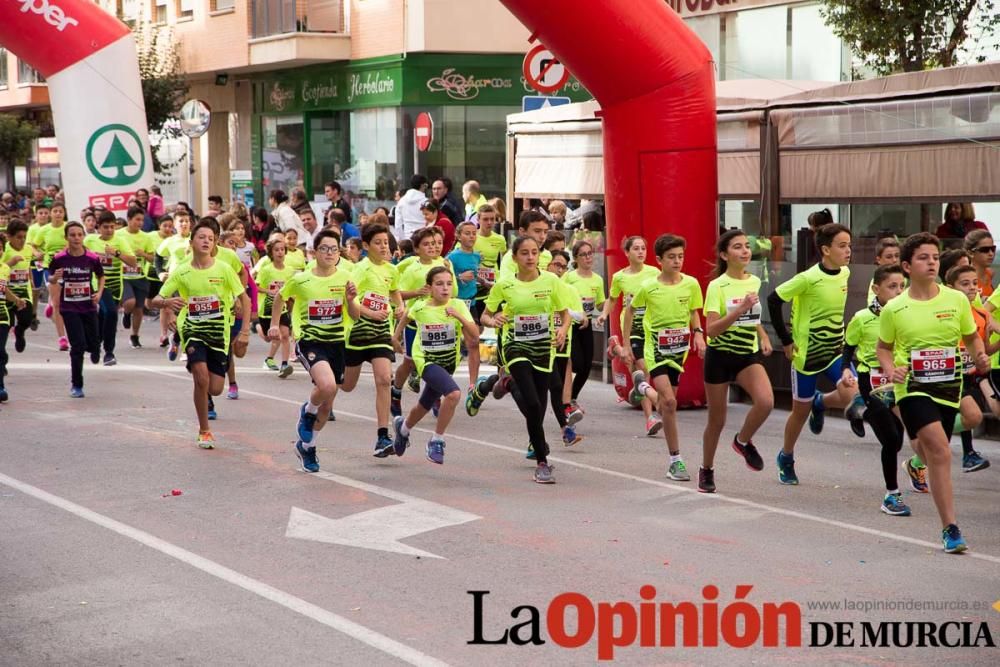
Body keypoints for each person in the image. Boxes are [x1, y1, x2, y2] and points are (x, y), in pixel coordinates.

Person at [876, 232, 989, 553]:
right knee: (940, 450)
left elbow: (971, 337)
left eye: (935, 257)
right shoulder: (894, 308)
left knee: (929, 447)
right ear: (907, 266)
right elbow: (883, 349)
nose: (931, 263)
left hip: (948, 386)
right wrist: (889, 369)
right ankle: (950, 528)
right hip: (911, 386)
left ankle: (916, 451)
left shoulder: (955, 300)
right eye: (924, 258)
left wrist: (979, 354)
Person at [767, 223, 862, 485]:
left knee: (853, 393)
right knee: (800, 412)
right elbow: (774, 300)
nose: (848, 251)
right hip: (805, 356)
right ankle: (786, 456)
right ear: (825, 249)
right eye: (842, 246)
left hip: (834, 352)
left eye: (849, 245)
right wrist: (785, 341)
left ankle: (822, 403)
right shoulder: (807, 278)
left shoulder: (844, 273)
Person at [480, 236, 571, 483]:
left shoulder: (551, 281)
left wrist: (562, 330)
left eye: (534, 252)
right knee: (532, 403)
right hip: (515, 346)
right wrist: (494, 320)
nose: (530, 257)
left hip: (544, 347)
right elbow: (485, 316)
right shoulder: (505, 284)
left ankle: (508, 386)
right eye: (524, 253)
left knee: (539, 405)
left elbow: (565, 313)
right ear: (515, 257)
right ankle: (542, 463)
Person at [152, 220, 250, 448]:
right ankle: (204, 430)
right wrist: (168, 302)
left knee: (215, 387)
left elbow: (244, 298)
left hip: (219, 332)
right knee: (201, 377)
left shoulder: (224, 269)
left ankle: (205, 388)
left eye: (210, 238)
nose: (206, 241)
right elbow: (156, 299)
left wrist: (245, 331)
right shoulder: (182, 270)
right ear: (191, 242)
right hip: (193, 330)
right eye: (201, 237)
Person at [270, 229, 359, 473]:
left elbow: (355, 315)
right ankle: (307, 411)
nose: (329, 253)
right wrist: (274, 324)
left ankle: (307, 446)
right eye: (324, 248)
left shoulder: (346, 278)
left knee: (327, 406)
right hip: (310, 341)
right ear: (314, 252)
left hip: (338, 342)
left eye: (334, 249)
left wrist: (351, 300)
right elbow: (280, 297)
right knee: (327, 386)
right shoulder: (302, 279)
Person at [624, 234, 705, 482]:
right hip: (655, 349)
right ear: (659, 260)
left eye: (680, 256)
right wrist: (627, 343)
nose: (677, 261)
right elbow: (630, 311)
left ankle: (643, 386)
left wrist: (699, 334)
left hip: (678, 351)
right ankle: (675, 460)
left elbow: (693, 311)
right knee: (669, 403)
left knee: (664, 404)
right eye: (671, 257)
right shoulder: (649, 287)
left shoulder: (690, 284)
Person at [699, 230, 774, 493]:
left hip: (746, 354)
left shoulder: (753, 280)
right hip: (719, 356)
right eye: (737, 247)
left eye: (746, 246)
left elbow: (751, 318)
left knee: (766, 401)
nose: (744, 251)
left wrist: (763, 335)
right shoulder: (717, 286)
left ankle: (743, 441)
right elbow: (711, 330)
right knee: (716, 420)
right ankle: (706, 469)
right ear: (724, 254)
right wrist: (738, 310)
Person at [392, 266, 481, 463]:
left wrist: (457, 316)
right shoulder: (421, 307)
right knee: (454, 394)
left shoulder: (458, 305)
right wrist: (395, 337)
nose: (445, 288)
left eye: (449, 284)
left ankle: (403, 429)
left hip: (448, 363)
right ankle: (437, 440)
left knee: (424, 405)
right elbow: (406, 315)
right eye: (439, 284)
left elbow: (475, 335)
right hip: (426, 361)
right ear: (430, 287)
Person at [843, 264, 909, 515]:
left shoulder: (905, 314)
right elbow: (848, 347)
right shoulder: (862, 318)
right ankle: (892, 495)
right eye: (892, 287)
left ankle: (860, 411)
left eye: (902, 286)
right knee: (891, 440)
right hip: (869, 378)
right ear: (876, 289)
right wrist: (846, 369)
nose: (898, 291)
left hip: (897, 379)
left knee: (898, 438)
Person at [341, 222, 404, 457]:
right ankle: (325, 380)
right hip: (357, 333)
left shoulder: (391, 270)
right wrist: (370, 312)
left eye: (385, 242)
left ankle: (382, 435)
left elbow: (394, 291)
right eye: (377, 243)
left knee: (385, 379)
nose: (383, 246)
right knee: (347, 386)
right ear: (366, 246)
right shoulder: (360, 270)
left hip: (380, 333)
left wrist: (400, 306)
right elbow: (350, 302)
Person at [602, 236, 661, 436]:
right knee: (642, 368)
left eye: (643, 248)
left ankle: (615, 348)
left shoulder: (654, 273)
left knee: (641, 374)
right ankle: (650, 418)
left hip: (650, 327)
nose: (641, 252)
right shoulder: (620, 277)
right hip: (632, 328)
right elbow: (612, 299)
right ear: (627, 253)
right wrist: (603, 315)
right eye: (636, 248)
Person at [943, 264, 994, 473]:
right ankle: (931, 438)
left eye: (975, 283)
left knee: (970, 417)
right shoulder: (945, 314)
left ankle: (965, 453)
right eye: (965, 284)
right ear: (950, 287)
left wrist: (982, 357)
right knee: (971, 415)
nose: (972, 288)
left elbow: (985, 349)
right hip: (949, 375)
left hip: (972, 374)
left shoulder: (981, 314)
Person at [48, 222, 104, 398]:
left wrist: (99, 294)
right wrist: (54, 278)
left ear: (83, 236)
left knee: (93, 341)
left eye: (80, 234)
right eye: (72, 235)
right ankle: (77, 385)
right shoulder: (59, 259)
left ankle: (95, 349)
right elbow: (51, 278)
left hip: (88, 305)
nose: (76, 238)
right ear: (66, 238)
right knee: (77, 346)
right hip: (69, 306)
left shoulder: (92, 258)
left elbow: (101, 275)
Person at [84, 211, 137, 366]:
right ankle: (109, 352)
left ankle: (95, 345)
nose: (109, 230)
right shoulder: (90, 240)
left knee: (104, 316)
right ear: (98, 227)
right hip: (97, 284)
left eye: (112, 227)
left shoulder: (120, 241)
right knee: (111, 313)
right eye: (105, 227)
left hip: (115, 285)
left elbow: (133, 262)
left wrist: (117, 253)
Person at [563, 240, 605, 418]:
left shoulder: (597, 279)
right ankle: (565, 397)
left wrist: (609, 305)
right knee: (577, 363)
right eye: (584, 254)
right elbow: (561, 302)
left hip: (586, 327)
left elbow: (601, 304)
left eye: (590, 253)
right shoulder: (569, 277)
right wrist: (577, 314)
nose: (588, 257)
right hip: (571, 325)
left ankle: (571, 398)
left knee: (586, 366)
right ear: (576, 258)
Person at [257, 235, 298, 377]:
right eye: (276, 250)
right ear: (271, 253)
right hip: (267, 309)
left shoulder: (289, 270)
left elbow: (292, 289)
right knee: (272, 337)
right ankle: (268, 358)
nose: (280, 252)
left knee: (284, 335)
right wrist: (270, 291)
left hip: (283, 308)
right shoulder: (266, 270)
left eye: (282, 249)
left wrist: (292, 298)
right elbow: (256, 287)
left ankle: (285, 365)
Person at [117, 206, 157, 348]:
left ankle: (134, 335)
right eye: (137, 219)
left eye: (142, 220)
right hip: (123, 275)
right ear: (129, 219)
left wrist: (144, 254)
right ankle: (127, 314)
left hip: (140, 276)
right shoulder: (119, 234)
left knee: (139, 309)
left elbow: (153, 259)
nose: (140, 223)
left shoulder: (146, 237)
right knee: (130, 302)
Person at [0, 235, 29, 402]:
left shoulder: (4, 268)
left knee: (0, 351)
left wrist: (17, 300)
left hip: (2, 316)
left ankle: (0, 386)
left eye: (0, 248)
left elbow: (4, 290)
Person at [1, 219, 35, 356]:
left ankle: (19, 331)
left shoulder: (28, 249)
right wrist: (11, 262)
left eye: (24, 237)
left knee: (27, 319)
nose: (22, 241)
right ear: (9, 237)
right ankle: (2, 359)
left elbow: (27, 266)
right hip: (6, 293)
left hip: (23, 291)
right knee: (5, 326)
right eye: (18, 237)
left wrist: (31, 278)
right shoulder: (4, 250)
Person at [40, 202, 70, 350]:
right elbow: (32, 245)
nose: (58, 213)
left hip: (68, 268)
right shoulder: (44, 230)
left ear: (64, 214)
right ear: (51, 213)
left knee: (68, 302)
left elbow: (78, 242)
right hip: (50, 268)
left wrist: (66, 250)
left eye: (60, 211)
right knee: (58, 303)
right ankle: (62, 338)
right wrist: (37, 253)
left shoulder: (69, 228)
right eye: (55, 211)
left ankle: (50, 304)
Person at [471, 205, 505, 326]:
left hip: (493, 286)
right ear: (478, 219)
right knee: (477, 327)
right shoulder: (471, 237)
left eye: (492, 219)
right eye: (485, 219)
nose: (489, 222)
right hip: (474, 286)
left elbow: (505, 261)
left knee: (499, 320)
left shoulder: (500, 239)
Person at [447, 221, 481, 311]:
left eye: (474, 233)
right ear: (458, 236)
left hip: (472, 302)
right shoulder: (452, 257)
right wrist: (459, 277)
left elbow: (474, 275)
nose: (471, 236)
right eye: (467, 233)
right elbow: (442, 278)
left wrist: (485, 282)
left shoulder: (477, 256)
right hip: (456, 302)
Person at [395, 175, 429, 241]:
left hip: (407, 237)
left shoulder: (401, 201)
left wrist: (402, 240)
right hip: (424, 237)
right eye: (426, 186)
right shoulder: (426, 202)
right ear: (423, 185)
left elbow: (398, 225)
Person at [963, 229, 995, 299]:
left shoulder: (990, 273)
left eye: (993, 249)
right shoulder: (964, 279)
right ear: (970, 253)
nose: (991, 253)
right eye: (985, 250)